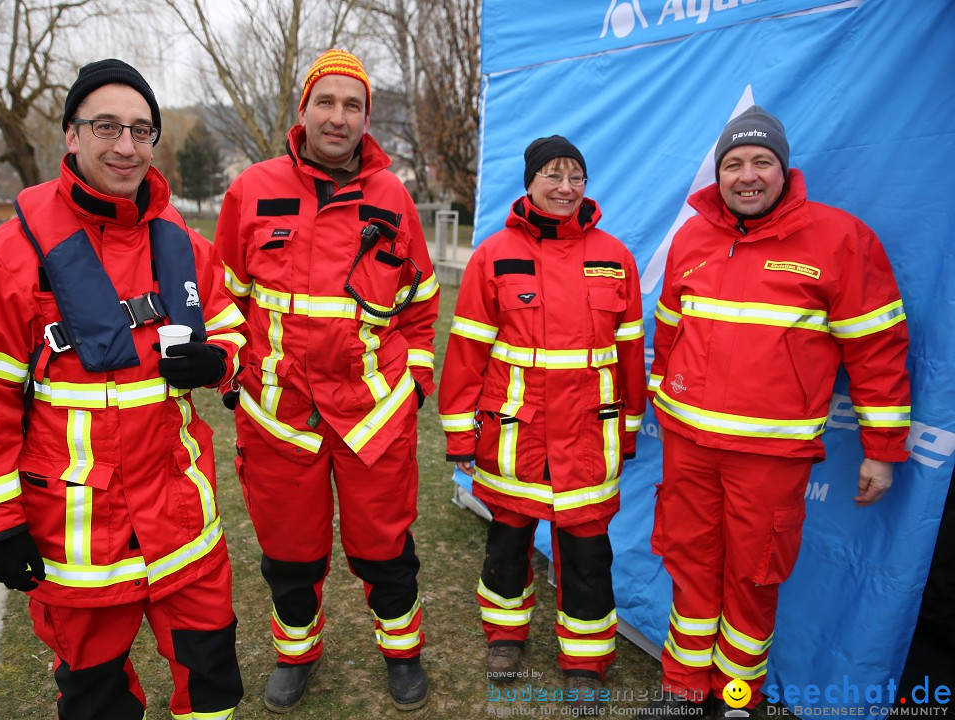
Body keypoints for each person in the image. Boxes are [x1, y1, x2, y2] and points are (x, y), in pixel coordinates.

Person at [0, 59, 247, 720]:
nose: (126, 146)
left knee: (214, 683)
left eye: (142, 130)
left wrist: (218, 359)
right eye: (107, 126)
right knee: (96, 700)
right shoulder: (10, 254)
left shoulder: (186, 247)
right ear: (72, 138)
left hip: (183, 526)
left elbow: (235, 332)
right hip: (76, 541)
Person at [642, 106, 911, 718]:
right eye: (733, 163)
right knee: (689, 568)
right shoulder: (692, 237)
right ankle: (682, 693)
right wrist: (664, 396)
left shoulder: (839, 239)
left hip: (771, 457)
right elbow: (669, 329)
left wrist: (884, 450)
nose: (747, 175)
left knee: (753, 581)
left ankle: (737, 700)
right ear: (719, 174)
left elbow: (877, 349)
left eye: (762, 161)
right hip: (689, 446)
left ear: (784, 169)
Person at [213, 49, 439, 712]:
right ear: (303, 110)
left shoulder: (393, 198)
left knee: (385, 549)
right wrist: (235, 381)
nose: (338, 117)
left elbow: (422, 305)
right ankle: (296, 654)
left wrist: (415, 386)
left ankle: (403, 655)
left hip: (373, 412)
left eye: (353, 105)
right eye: (327, 102)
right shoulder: (250, 190)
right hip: (279, 416)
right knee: (290, 554)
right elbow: (224, 300)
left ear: (367, 118)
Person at [438, 136, 647, 710]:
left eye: (575, 175)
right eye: (552, 175)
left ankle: (585, 660)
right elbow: (466, 354)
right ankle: (505, 638)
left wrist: (628, 428)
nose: (565, 187)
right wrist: (460, 432)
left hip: (588, 439)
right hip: (516, 437)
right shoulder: (494, 254)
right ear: (529, 183)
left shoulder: (615, 256)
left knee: (587, 554)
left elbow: (630, 353)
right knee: (507, 546)